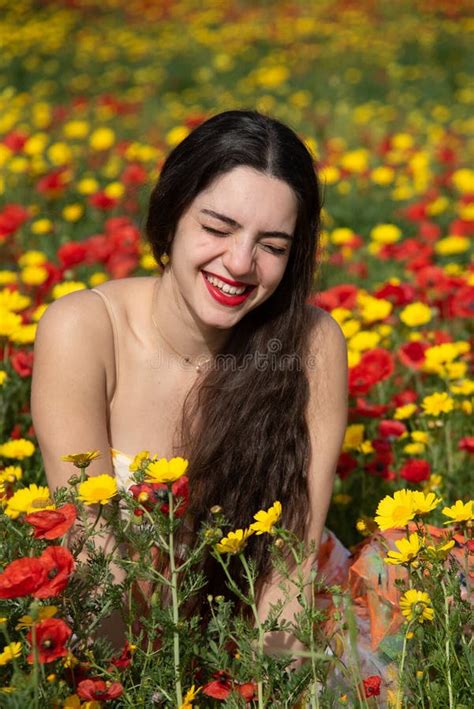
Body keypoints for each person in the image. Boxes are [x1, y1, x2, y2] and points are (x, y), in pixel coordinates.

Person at [30, 109, 349, 661]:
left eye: (272, 246)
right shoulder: (83, 331)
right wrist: (146, 688)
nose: (240, 262)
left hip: (275, 635)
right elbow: (93, 550)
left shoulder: (310, 344)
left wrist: (258, 688)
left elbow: (293, 560)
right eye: (217, 229)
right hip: (124, 644)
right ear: (172, 212)